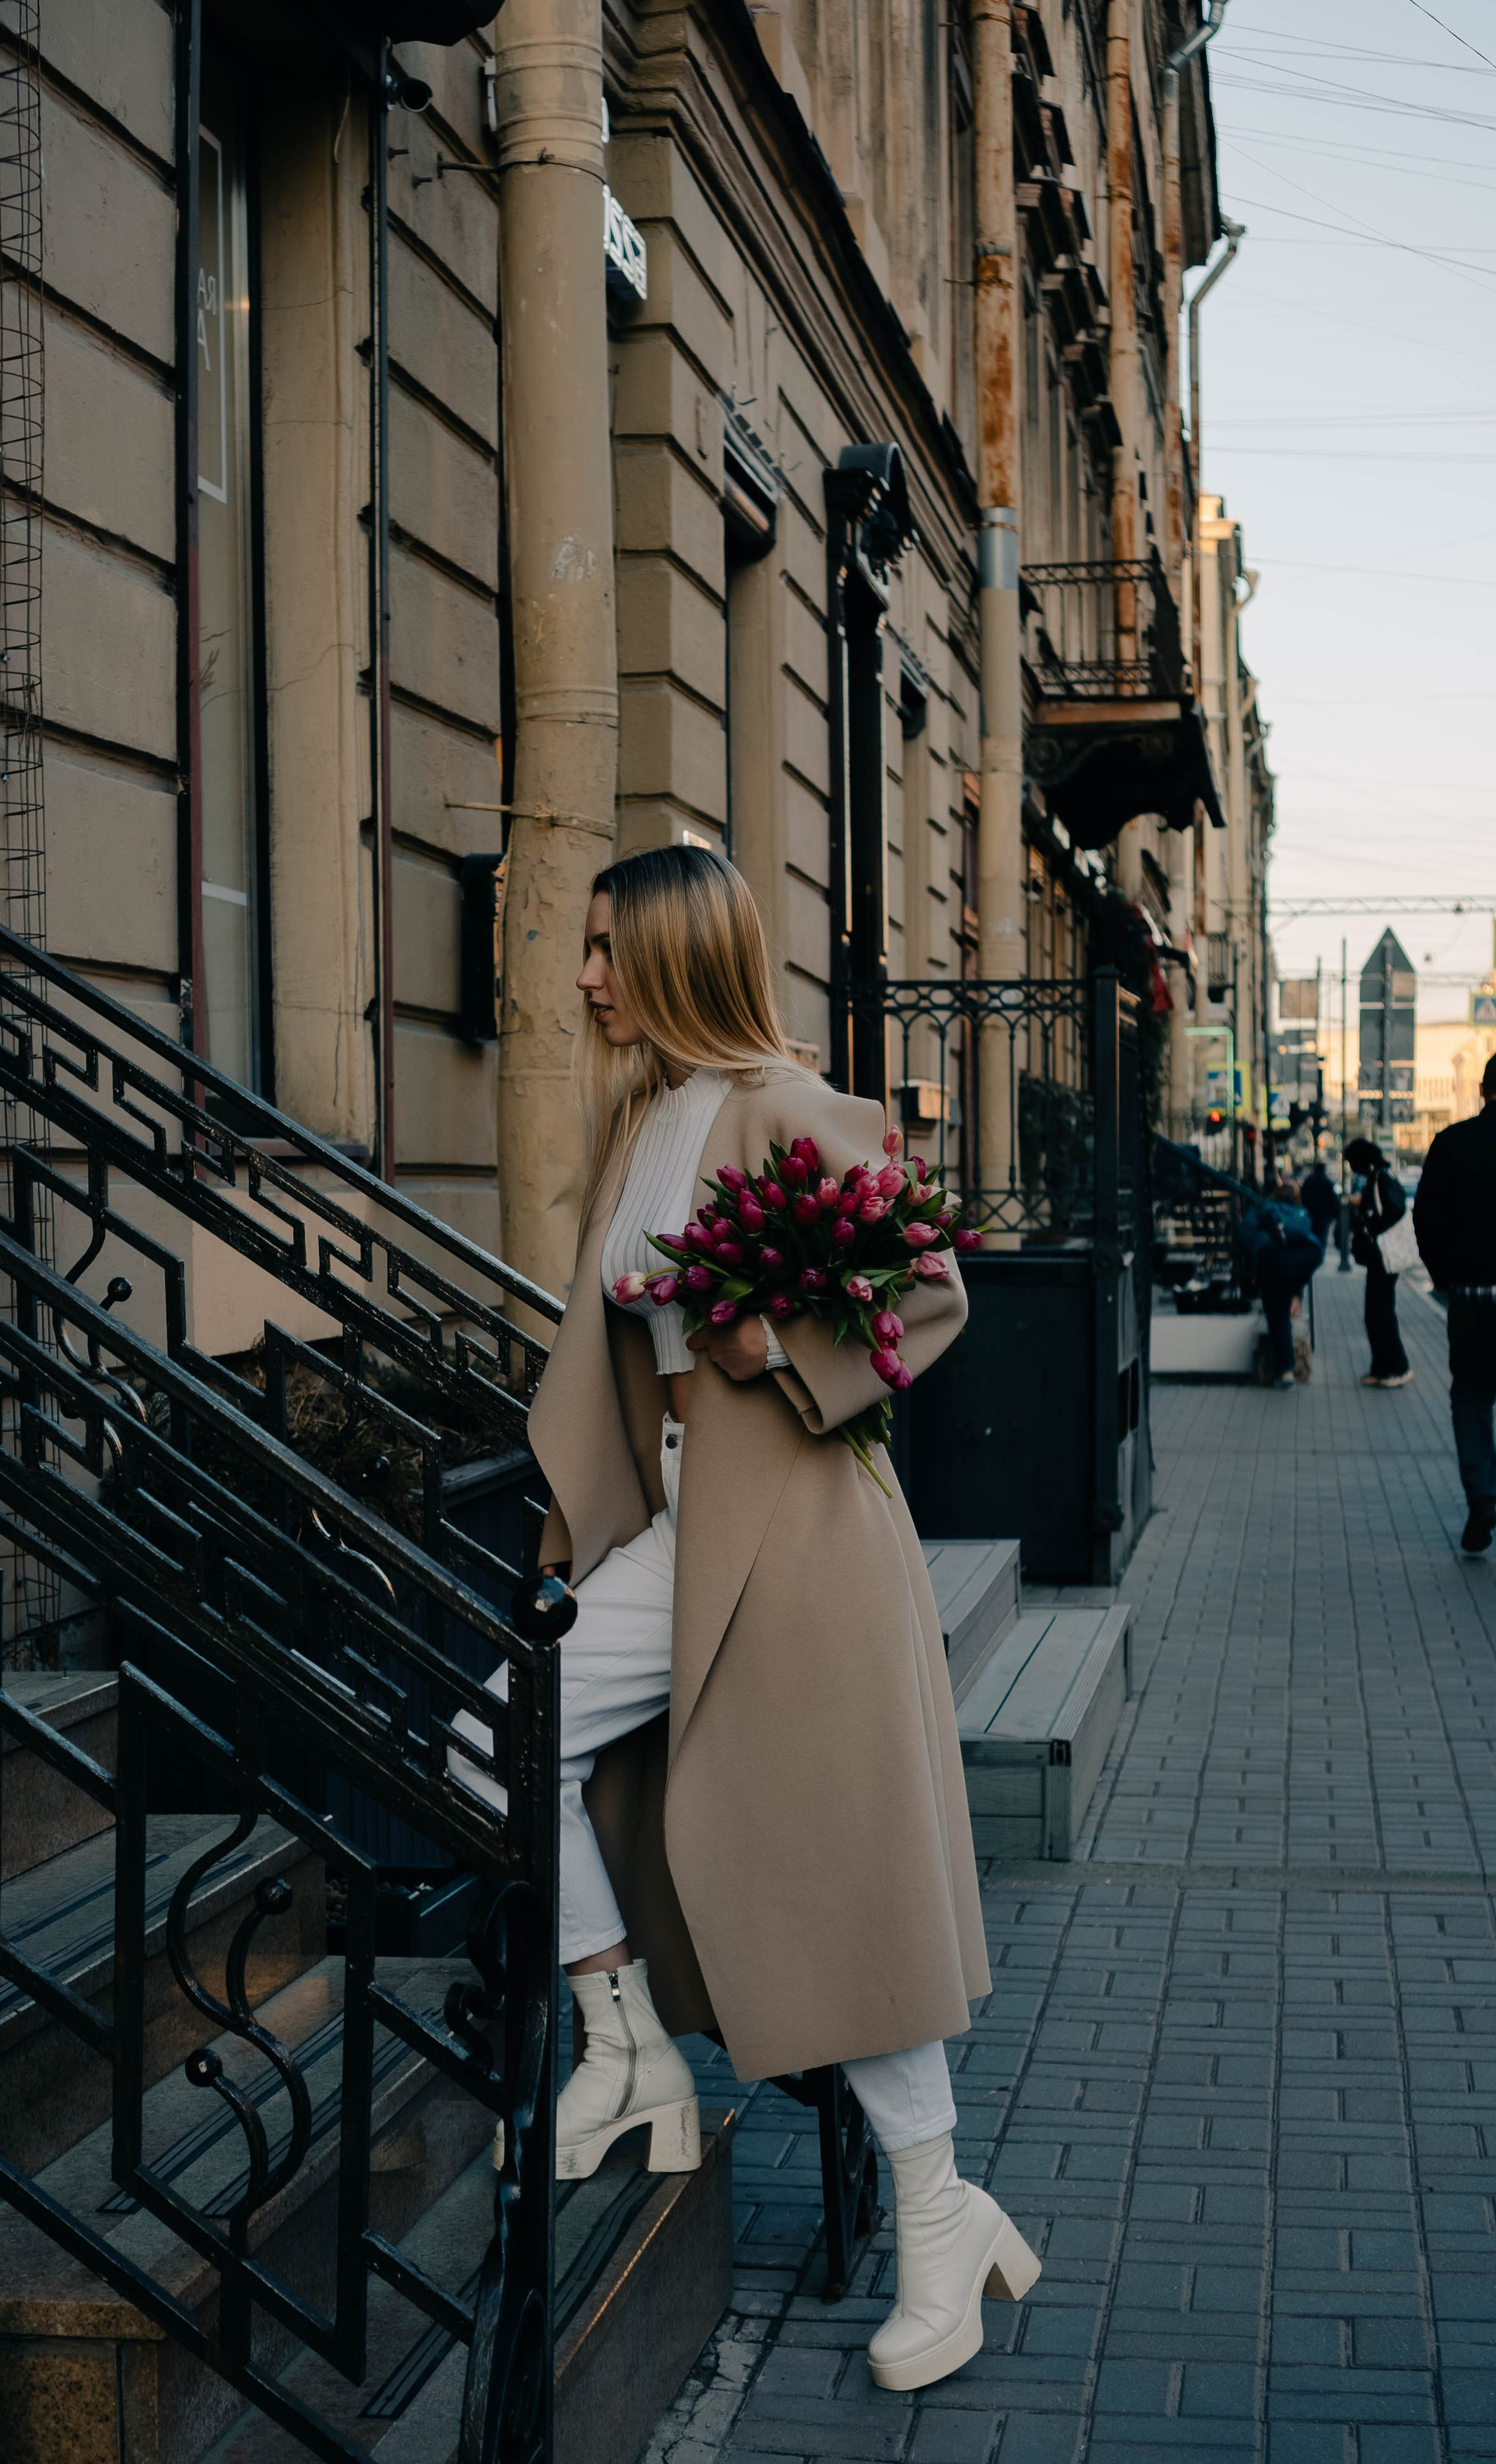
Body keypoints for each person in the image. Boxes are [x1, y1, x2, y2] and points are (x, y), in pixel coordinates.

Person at [454, 846, 1039, 2393]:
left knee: (837, 1884)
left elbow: (925, 1293)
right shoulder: (641, 1119)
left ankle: (938, 2222)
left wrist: (762, 1332)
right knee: (489, 1736)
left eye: (604, 947)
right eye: (580, 947)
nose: (582, 976)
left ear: (673, 954)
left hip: (796, 1542)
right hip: (679, 1537)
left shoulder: (782, 1101)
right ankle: (622, 2032)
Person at [1412, 1052, 1496, 1554]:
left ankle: (1483, 1497)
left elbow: (1425, 1221)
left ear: (1483, 1090)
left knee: (1471, 1396)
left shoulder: (1452, 1144)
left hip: (1470, 1302)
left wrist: (1447, 1278)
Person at [1238, 1179, 1322, 1389]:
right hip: (1307, 1258)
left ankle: (1286, 1371)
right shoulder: (1299, 1213)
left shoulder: (1262, 1209)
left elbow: (1243, 1238)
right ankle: (1288, 1366)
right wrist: (1297, 1294)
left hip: (1272, 1264)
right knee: (1283, 1305)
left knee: (1277, 1316)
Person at [1345, 1138, 1411, 1389]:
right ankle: (1382, 1368)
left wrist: (1372, 1228)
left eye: (1353, 1162)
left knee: (1381, 1313)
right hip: (1379, 1258)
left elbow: (1395, 1209)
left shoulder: (1382, 1178)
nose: (1352, 1168)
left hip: (1385, 1257)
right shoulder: (1377, 1177)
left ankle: (1397, 1367)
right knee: (1375, 1313)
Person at [1300, 1158, 1340, 1258]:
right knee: (1322, 1235)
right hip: (1324, 1214)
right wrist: (1336, 1213)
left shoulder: (1309, 1180)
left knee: (1313, 1233)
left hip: (1311, 1212)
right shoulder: (1327, 1182)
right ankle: (1319, 1254)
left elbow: (1303, 1196)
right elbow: (1333, 1199)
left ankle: (1313, 1252)